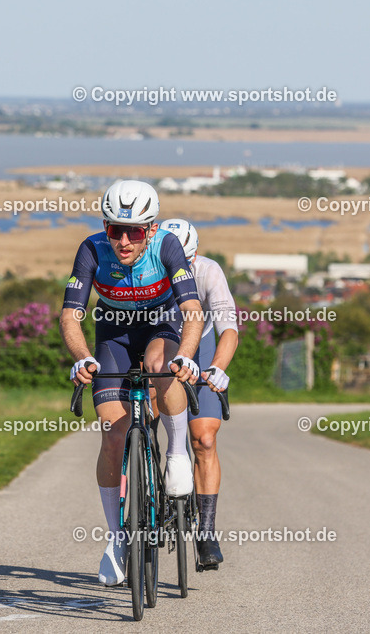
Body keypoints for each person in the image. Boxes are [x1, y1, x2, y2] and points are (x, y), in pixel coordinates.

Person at [60, 180, 205, 586]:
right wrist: (82, 357)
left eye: (135, 231)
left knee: (161, 364)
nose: (124, 240)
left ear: (151, 230)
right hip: (115, 332)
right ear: (104, 227)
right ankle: (117, 537)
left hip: (162, 323)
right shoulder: (91, 249)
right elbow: (71, 314)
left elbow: (192, 309)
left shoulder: (167, 248)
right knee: (112, 432)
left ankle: (177, 454)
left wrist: (186, 358)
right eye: (115, 230)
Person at [159, 219, 238, 569]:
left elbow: (228, 329)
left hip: (201, 344)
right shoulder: (149, 272)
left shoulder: (208, 271)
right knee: (143, 415)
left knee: (204, 439)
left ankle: (205, 532)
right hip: (161, 343)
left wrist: (218, 368)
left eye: (186, 264)